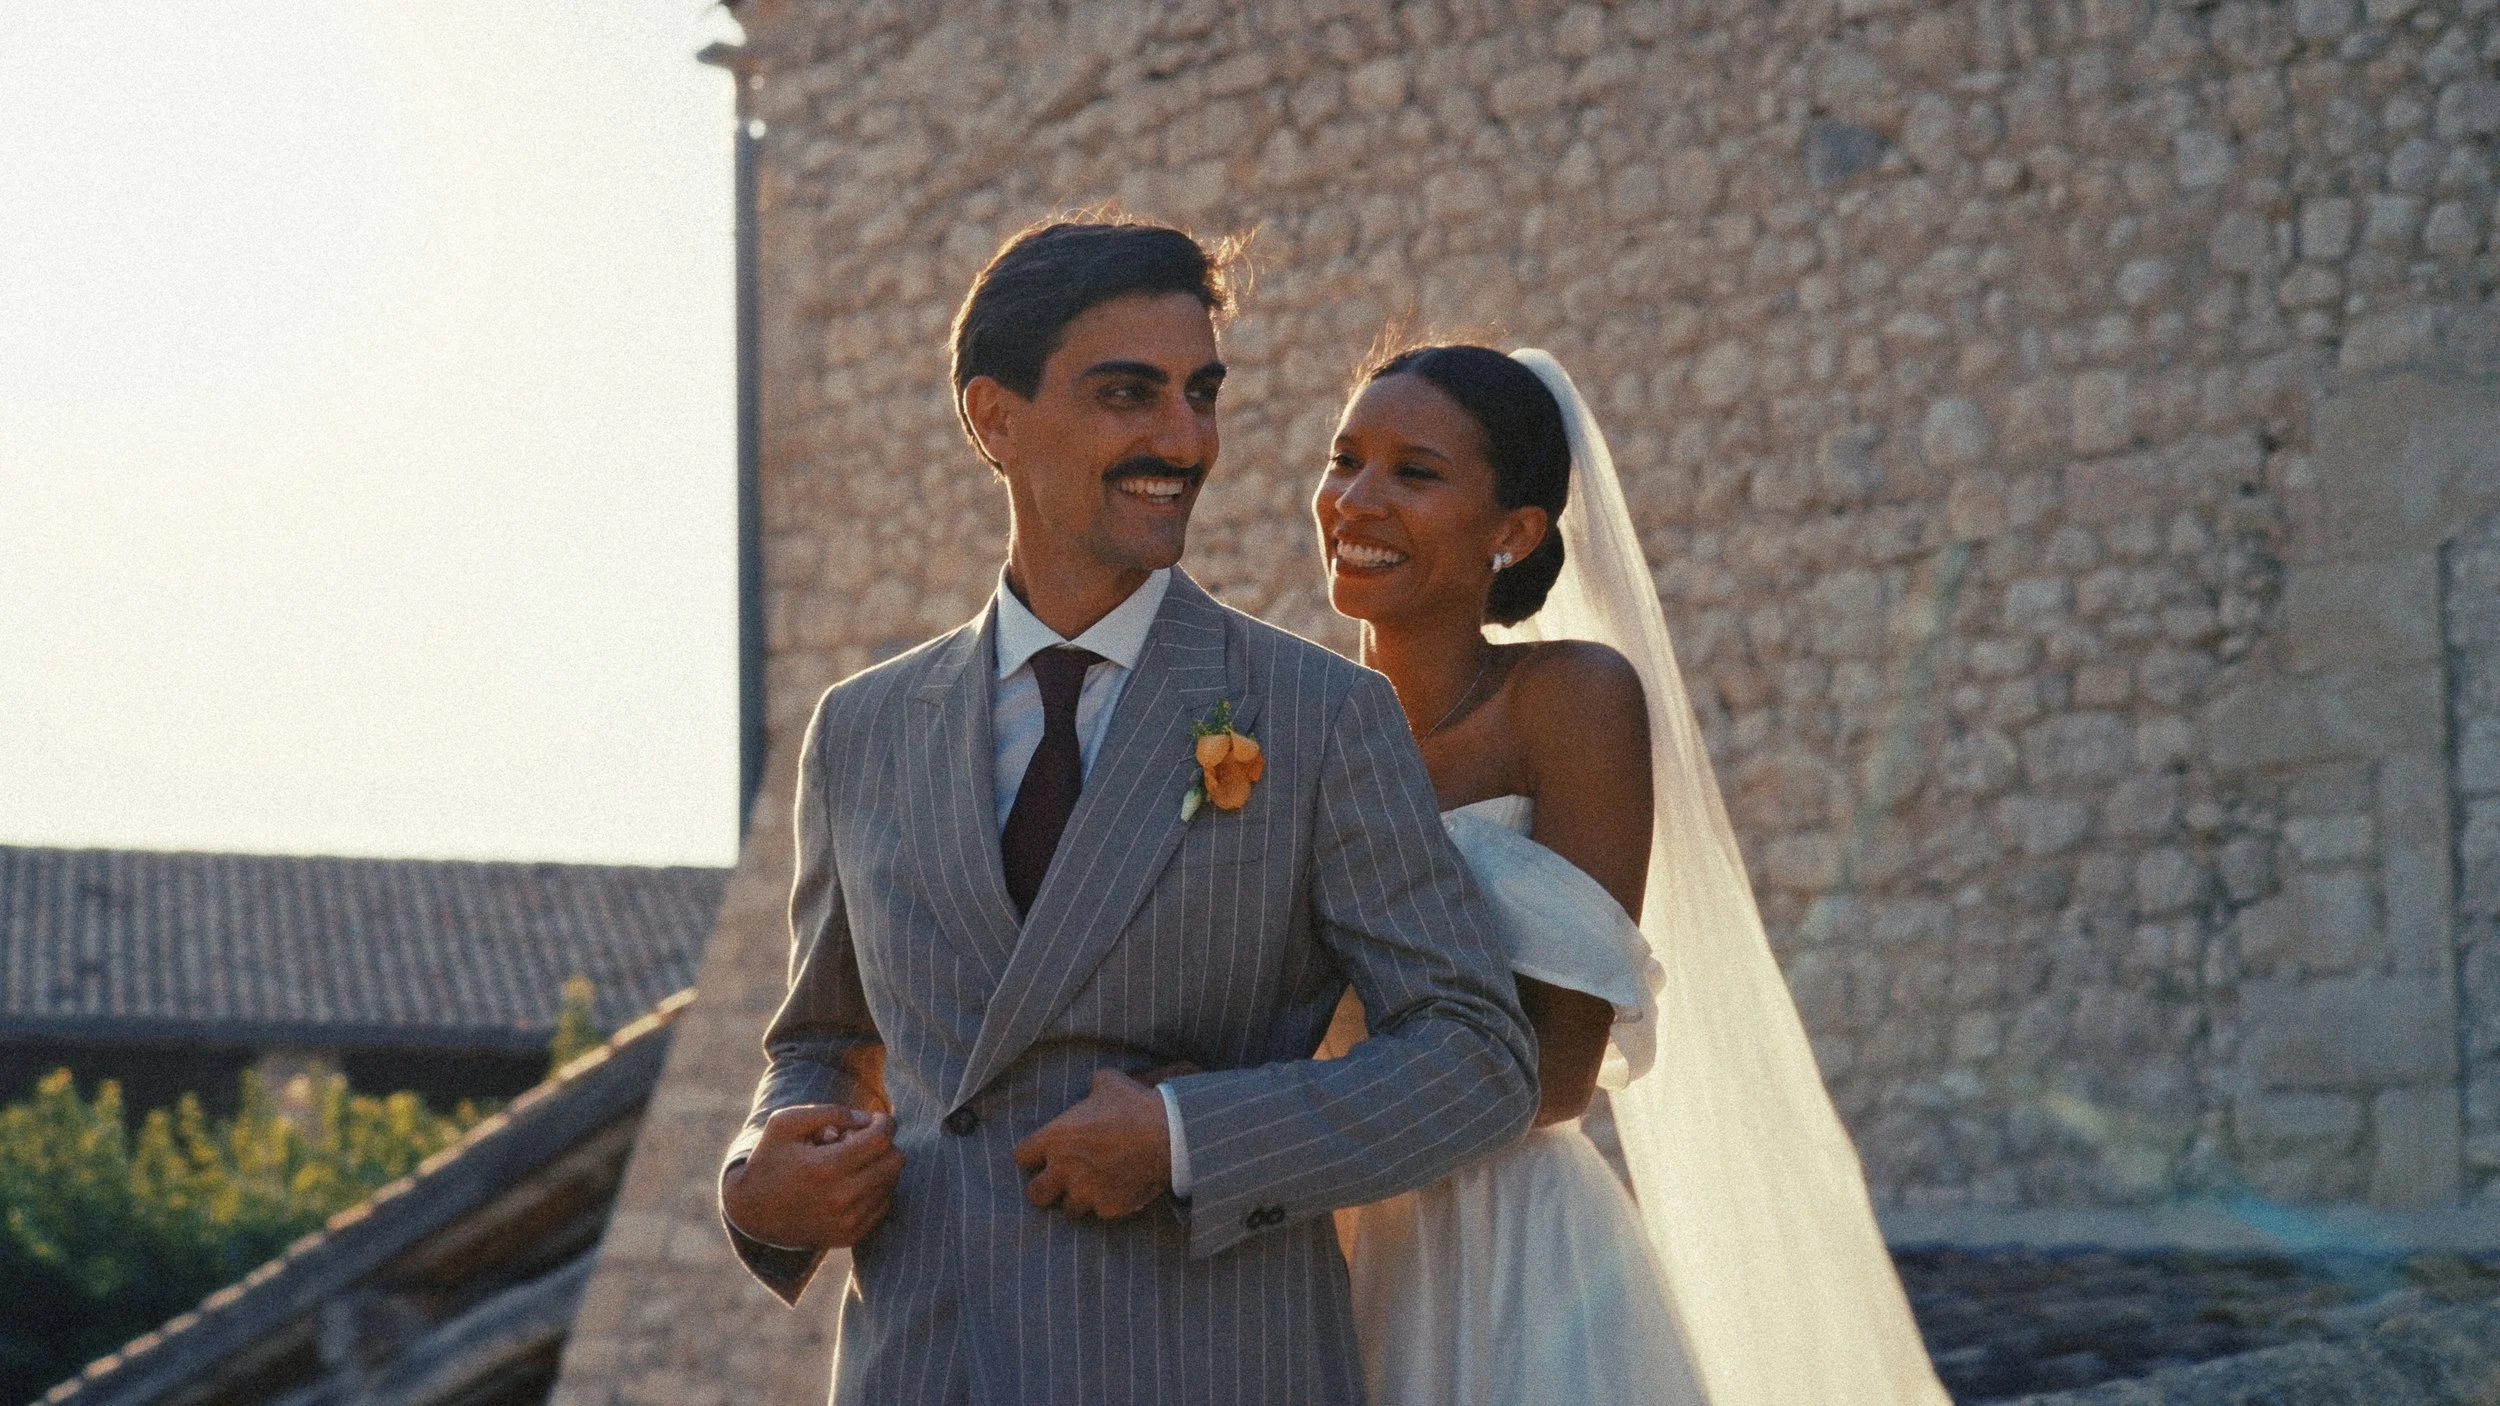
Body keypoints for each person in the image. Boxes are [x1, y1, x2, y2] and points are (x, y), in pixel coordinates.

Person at [715, 219, 1538, 1406]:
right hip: (929, 1362)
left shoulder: (1317, 716)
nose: (1183, 438)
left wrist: (1187, 1139)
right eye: (1127, 394)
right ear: (994, 419)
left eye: (1199, 394)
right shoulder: (862, 728)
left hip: (1207, 1362)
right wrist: (763, 1172)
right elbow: (821, 1041)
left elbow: (1481, 1054)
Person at [1316, 344, 1949, 1405]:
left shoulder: (1568, 697)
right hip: (1312, 1248)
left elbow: (1561, 1068)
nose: (1356, 500)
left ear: (1513, 531)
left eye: (1413, 472)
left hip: (1500, 1252)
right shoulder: (1291, 721)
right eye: (1345, 461)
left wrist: (1269, 1121)